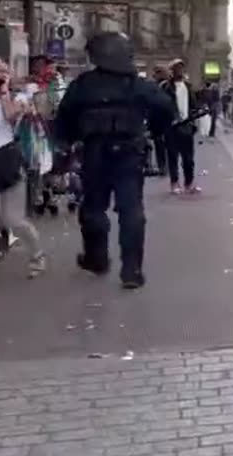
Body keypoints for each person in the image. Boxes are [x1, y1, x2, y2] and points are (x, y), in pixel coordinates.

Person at [54, 32, 174, 289]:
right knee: (131, 211)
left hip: (95, 153)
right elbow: (165, 108)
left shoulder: (83, 84)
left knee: (94, 209)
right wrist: (153, 129)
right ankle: (131, 270)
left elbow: (64, 118)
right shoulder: (138, 85)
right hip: (129, 153)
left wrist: (68, 141)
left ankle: (96, 259)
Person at [0, 57, 44, 275]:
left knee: (12, 219)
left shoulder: (17, 98)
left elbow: (12, 118)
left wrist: (3, 92)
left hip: (5, 162)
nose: (2, 76)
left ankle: (37, 255)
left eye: (4, 72)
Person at [162, 59, 200, 195]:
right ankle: (174, 183)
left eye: (182, 68)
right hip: (172, 128)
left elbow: (193, 105)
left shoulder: (188, 86)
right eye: (177, 68)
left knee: (189, 158)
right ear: (172, 71)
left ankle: (189, 183)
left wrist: (193, 118)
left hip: (187, 126)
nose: (180, 71)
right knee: (173, 157)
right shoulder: (166, 87)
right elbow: (163, 106)